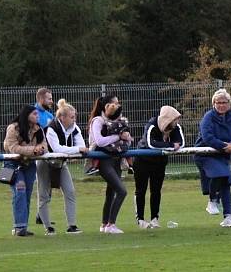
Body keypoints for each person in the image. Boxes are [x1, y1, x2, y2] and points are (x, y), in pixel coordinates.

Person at [37, 99, 86, 235]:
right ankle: (48, 227)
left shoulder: (74, 128)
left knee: (70, 192)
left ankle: (72, 226)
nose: (74, 119)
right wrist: (77, 150)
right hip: (45, 162)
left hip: (61, 163)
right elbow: (57, 148)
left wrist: (77, 149)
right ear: (62, 117)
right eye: (72, 116)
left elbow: (81, 145)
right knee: (44, 195)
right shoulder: (51, 128)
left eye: (74, 116)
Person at [194, 89, 231, 227]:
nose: (221, 105)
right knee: (221, 174)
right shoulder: (208, 117)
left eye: (224, 102)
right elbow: (207, 137)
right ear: (213, 103)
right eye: (218, 102)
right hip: (205, 154)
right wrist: (224, 146)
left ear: (229, 104)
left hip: (222, 156)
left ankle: (228, 217)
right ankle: (212, 200)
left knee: (226, 182)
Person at [134, 106, 184, 229]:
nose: (176, 122)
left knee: (156, 190)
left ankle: (154, 218)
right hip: (142, 161)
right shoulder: (152, 125)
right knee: (141, 190)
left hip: (160, 163)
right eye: (174, 119)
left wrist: (171, 145)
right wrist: (171, 145)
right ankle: (140, 219)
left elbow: (181, 142)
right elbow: (151, 144)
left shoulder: (175, 127)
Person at [89, 94, 133, 234]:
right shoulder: (98, 121)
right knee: (122, 191)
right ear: (107, 106)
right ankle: (111, 224)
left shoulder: (120, 120)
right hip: (103, 160)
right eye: (115, 103)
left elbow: (128, 141)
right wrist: (117, 136)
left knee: (111, 193)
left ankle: (104, 224)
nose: (118, 106)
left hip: (116, 160)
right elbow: (100, 141)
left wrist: (126, 137)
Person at [3, 105, 47, 236]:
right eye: (34, 114)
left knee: (27, 194)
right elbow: (13, 148)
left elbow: (44, 144)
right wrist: (33, 150)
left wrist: (41, 149)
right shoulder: (13, 128)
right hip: (12, 164)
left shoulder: (38, 129)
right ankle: (19, 228)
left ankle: (23, 227)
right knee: (20, 191)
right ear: (26, 115)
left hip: (29, 164)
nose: (37, 116)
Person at [33, 88, 53, 226]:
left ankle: (41, 215)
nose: (52, 101)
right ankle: (40, 215)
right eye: (49, 99)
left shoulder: (50, 115)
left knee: (48, 185)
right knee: (42, 186)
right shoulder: (33, 114)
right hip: (36, 155)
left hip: (49, 154)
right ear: (41, 99)